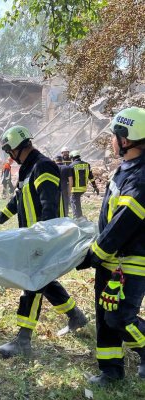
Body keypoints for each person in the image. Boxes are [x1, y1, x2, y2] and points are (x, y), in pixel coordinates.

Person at [0, 125, 88, 357]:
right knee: (43, 280)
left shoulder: (43, 166)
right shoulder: (27, 169)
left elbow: (49, 203)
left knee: (32, 282)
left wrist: (44, 238)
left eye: (9, 152)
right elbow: (17, 200)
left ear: (16, 148)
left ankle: (23, 339)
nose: (10, 158)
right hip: (34, 236)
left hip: (42, 237)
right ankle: (75, 316)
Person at [77, 107, 145, 385]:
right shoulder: (126, 169)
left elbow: (124, 222)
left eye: (115, 136)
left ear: (126, 139)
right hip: (111, 261)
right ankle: (110, 370)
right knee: (105, 317)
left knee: (120, 317)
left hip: (131, 262)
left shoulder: (141, 177)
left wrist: (94, 253)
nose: (112, 141)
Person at [68, 150, 99, 218]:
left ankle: (77, 217)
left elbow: (70, 179)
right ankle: (80, 216)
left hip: (75, 189)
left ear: (72, 157)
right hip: (83, 188)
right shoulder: (87, 165)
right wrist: (95, 186)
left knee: (74, 202)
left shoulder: (71, 166)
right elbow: (91, 177)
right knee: (77, 202)